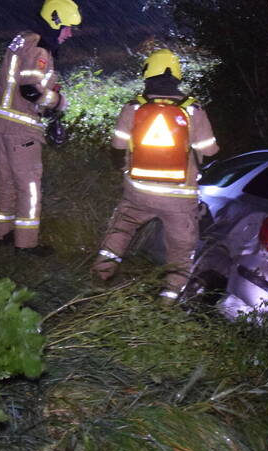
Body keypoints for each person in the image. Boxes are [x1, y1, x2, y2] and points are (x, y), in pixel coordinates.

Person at [91, 49, 219, 302]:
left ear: (148, 74)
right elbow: (211, 151)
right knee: (181, 250)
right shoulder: (193, 110)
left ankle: (100, 276)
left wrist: (127, 170)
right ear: (177, 76)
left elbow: (117, 149)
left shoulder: (133, 107)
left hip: (138, 192)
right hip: (179, 198)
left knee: (121, 229)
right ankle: (167, 300)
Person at [0, 0, 80, 255]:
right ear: (55, 21)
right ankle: (26, 245)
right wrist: (58, 102)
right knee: (29, 187)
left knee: (6, 182)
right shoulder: (38, 49)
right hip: (20, 129)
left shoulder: (23, 39)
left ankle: (2, 235)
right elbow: (29, 90)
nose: (70, 34)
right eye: (68, 27)